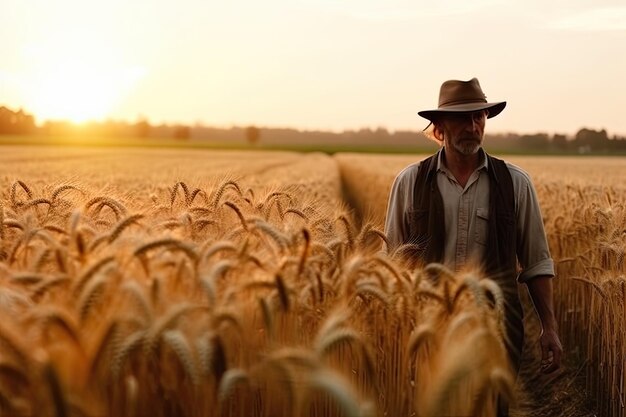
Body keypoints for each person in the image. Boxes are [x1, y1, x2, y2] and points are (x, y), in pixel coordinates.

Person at [384, 77, 562, 414]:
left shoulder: (515, 184)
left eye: (478, 117)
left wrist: (549, 327)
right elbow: (391, 265)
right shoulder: (409, 183)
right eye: (462, 118)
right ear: (438, 129)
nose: (472, 125)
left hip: (494, 332)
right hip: (427, 331)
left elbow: (536, 262)